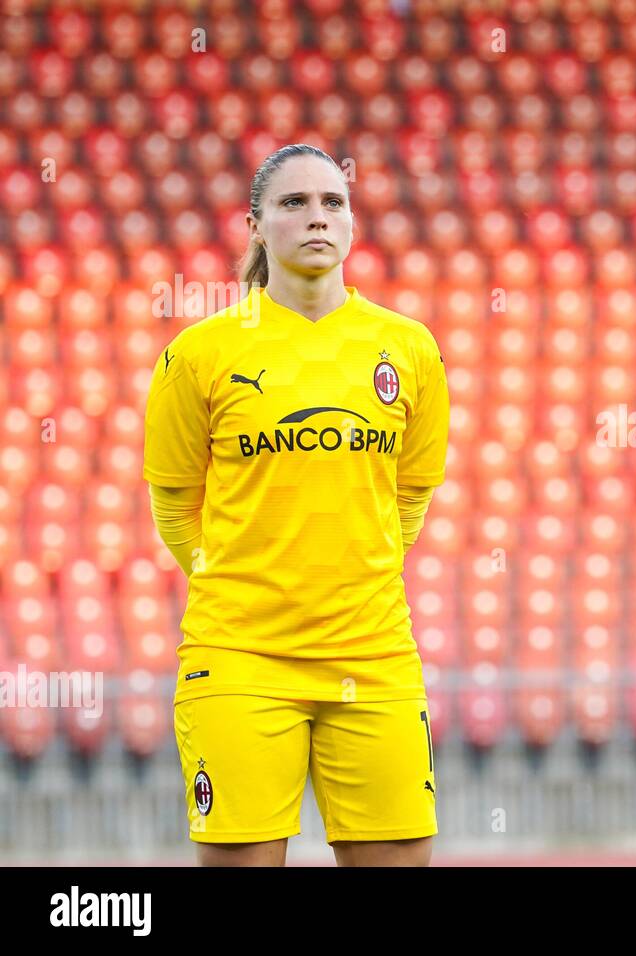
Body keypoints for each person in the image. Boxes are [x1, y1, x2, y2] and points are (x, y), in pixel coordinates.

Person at [143, 144, 449, 866]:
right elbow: (173, 501)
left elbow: (410, 494)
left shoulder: (409, 349)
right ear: (254, 226)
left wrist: (347, 582)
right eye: (293, 203)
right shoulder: (199, 354)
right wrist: (244, 586)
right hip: (241, 657)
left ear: (352, 223)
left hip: (373, 654)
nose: (317, 216)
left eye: (332, 202)